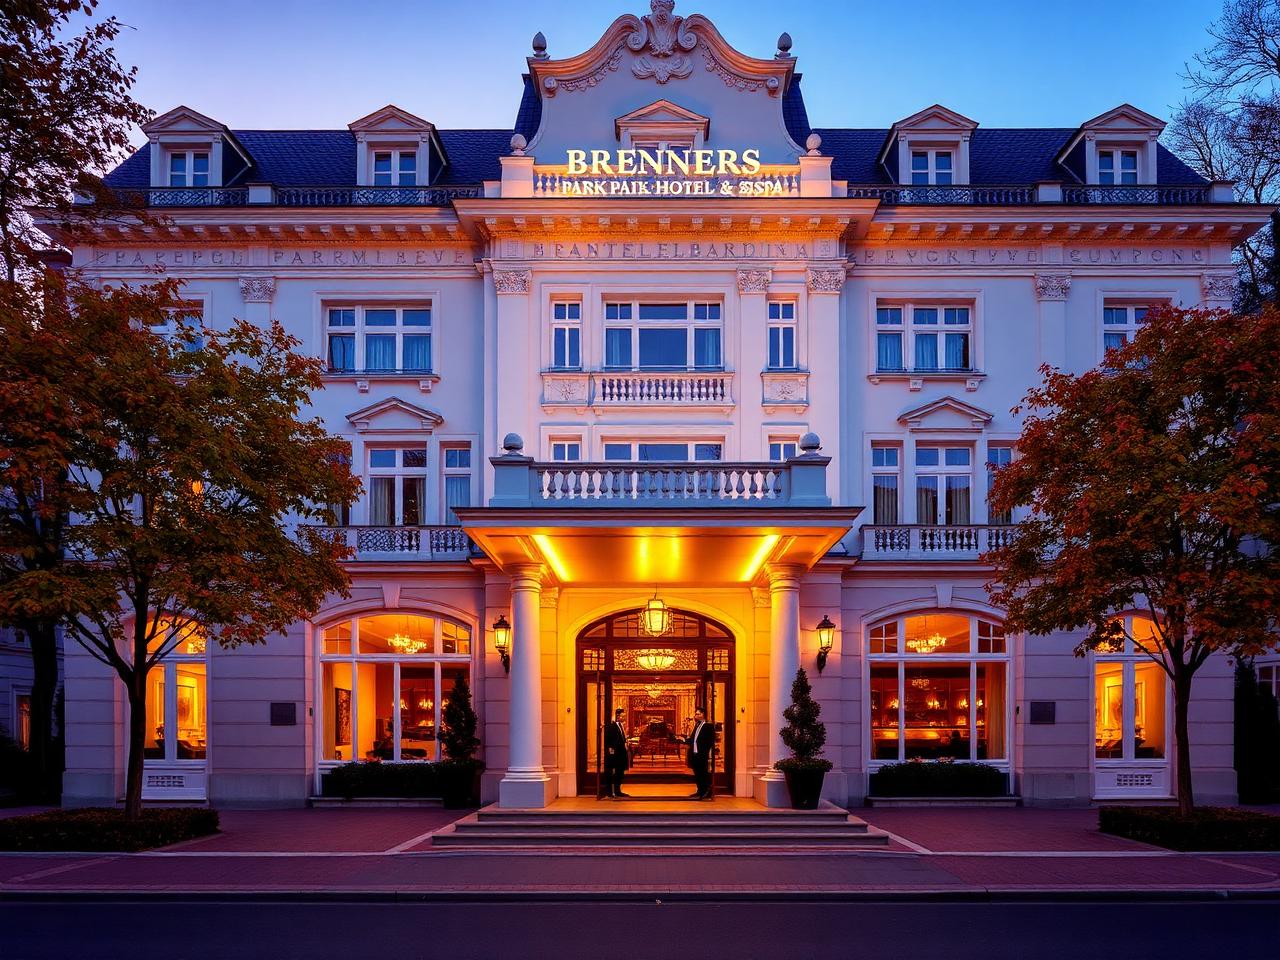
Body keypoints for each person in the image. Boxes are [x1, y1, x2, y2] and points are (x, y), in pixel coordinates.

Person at [685, 707, 716, 800]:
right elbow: (693, 739)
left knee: (703, 773)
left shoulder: (708, 726)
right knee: (697, 774)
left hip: (702, 754)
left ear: (703, 715)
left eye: (698, 714)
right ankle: (699, 790)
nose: (696, 716)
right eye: (696, 714)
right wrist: (684, 740)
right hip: (695, 754)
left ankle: (705, 792)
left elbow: (710, 741)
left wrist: (704, 751)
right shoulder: (697, 725)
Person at [603, 707, 630, 799]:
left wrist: (625, 743)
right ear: (618, 716)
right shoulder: (612, 726)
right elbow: (608, 739)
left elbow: (622, 738)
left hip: (621, 753)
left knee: (620, 773)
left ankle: (618, 791)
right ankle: (609, 792)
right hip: (615, 754)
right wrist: (611, 750)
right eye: (622, 716)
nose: (624, 717)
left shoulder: (621, 725)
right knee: (611, 773)